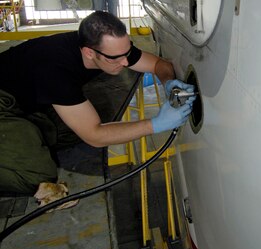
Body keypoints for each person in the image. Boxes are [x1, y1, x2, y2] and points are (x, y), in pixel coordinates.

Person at [0, 11, 195, 195]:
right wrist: (156, 124)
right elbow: (95, 136)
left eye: (127, 52)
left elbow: (158, 64)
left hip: (24, 99)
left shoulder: (113, 50)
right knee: (38, 176)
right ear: (89, 53)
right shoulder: (55, 71)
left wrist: (168, 82)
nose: (126, 63)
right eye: (116, 58)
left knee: (62, 130)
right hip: (3, 102)